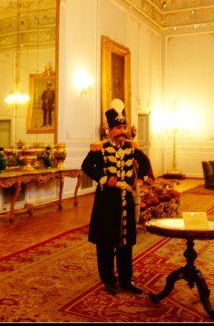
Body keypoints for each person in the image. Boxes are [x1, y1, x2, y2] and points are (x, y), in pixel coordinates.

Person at [81, 99, 151, 295]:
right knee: (106, 242)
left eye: (124, 127)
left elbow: (145, 163)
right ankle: (109, 279)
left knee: (125, 241)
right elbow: (86, 166)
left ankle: (126, 279)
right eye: (118, 128)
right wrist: (103, 178)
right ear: (109, 130)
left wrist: (140, 179)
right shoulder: (100, 149)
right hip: (106, 201)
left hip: (125, 200)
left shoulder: (131, 147)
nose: (122, 131)